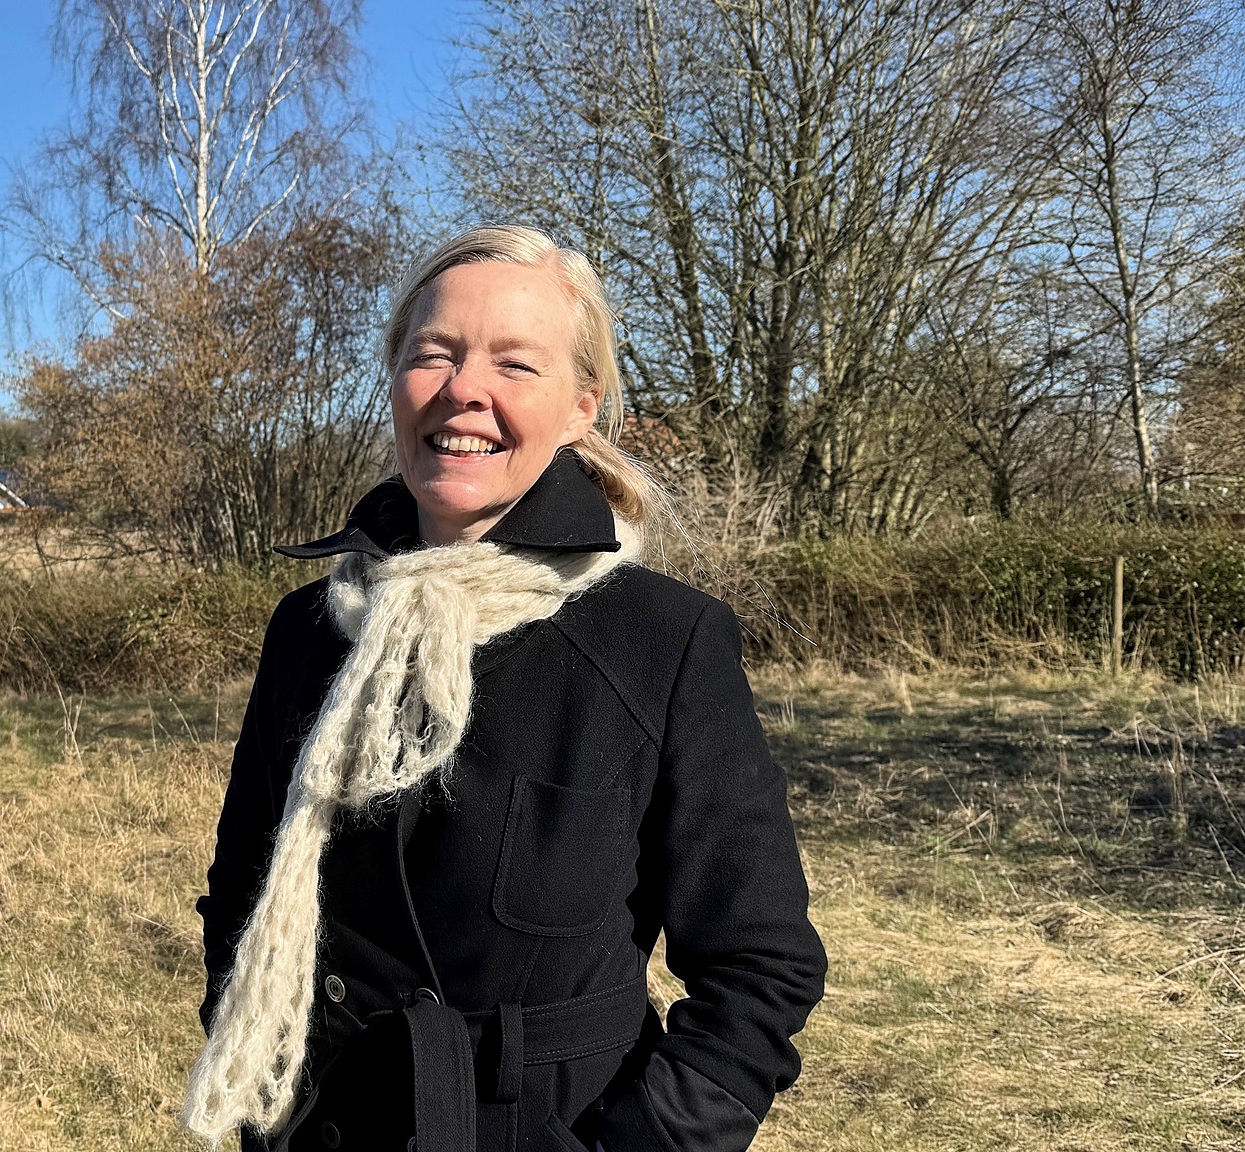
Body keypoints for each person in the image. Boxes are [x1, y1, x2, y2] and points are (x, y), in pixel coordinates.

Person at [181, 225, 827, 1152]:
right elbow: (243, 887)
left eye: (515, 364)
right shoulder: (310, 629)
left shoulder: (663, 642)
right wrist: (255, 1056)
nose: (463, 390)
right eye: (432, 354)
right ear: (395, 379)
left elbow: (761, 968)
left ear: (580, 409)